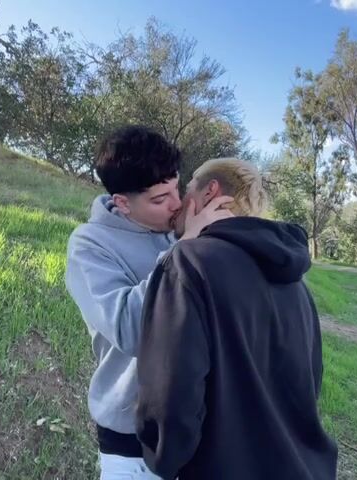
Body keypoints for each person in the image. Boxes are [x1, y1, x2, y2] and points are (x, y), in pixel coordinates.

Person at [136, 157, 339, 480]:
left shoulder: (189, 262)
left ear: (210, 191)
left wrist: (165, 458)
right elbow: (309, 383)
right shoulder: (298, 284)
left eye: (188, 188)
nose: (179, 203)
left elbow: (172, 394)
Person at [64, 125, 231, 479]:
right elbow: (129, 329)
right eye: (159, 199)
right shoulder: (89, 245)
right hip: (131, 438)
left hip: (194, 430)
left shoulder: (179, 231)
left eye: (176, 188)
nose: (177, 204)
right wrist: (184, 250)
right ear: (122, 203)